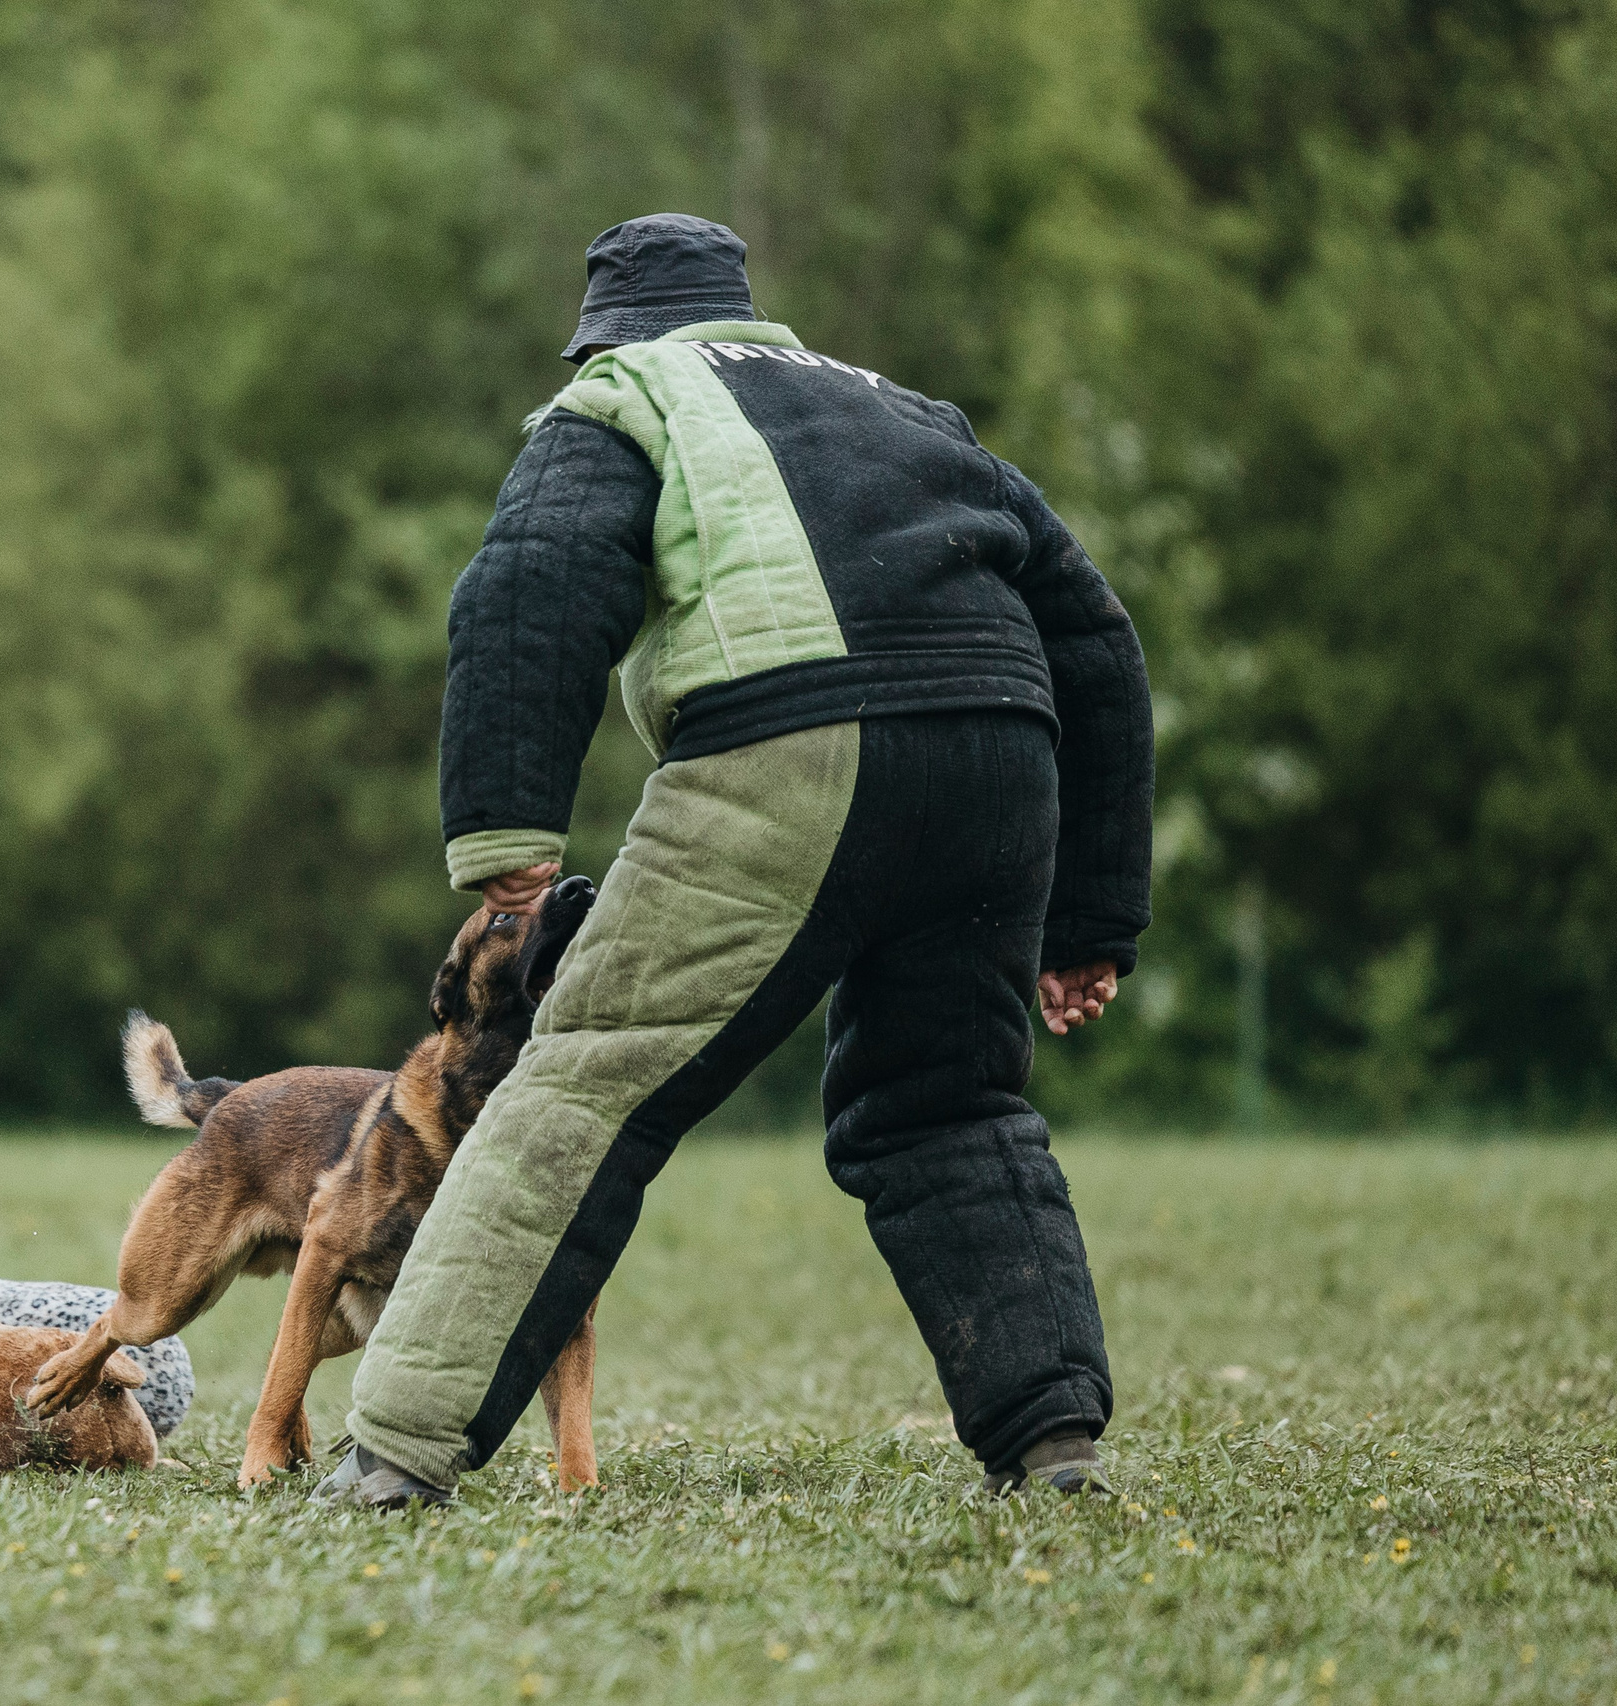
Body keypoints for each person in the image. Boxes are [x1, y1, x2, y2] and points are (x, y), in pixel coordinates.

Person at [316, 213, 1152, 1508]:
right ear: (749, 312)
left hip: (791, 743)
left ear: (602, 330)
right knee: (950, 1101)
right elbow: (1095, 640)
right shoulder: (913, 413)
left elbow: (528, 583)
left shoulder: (623, 396)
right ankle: (1055, 1441)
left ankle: (396, 1452)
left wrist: (510, 844)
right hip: (1003, 757)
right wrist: (1091, 908)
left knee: (585, 1082)